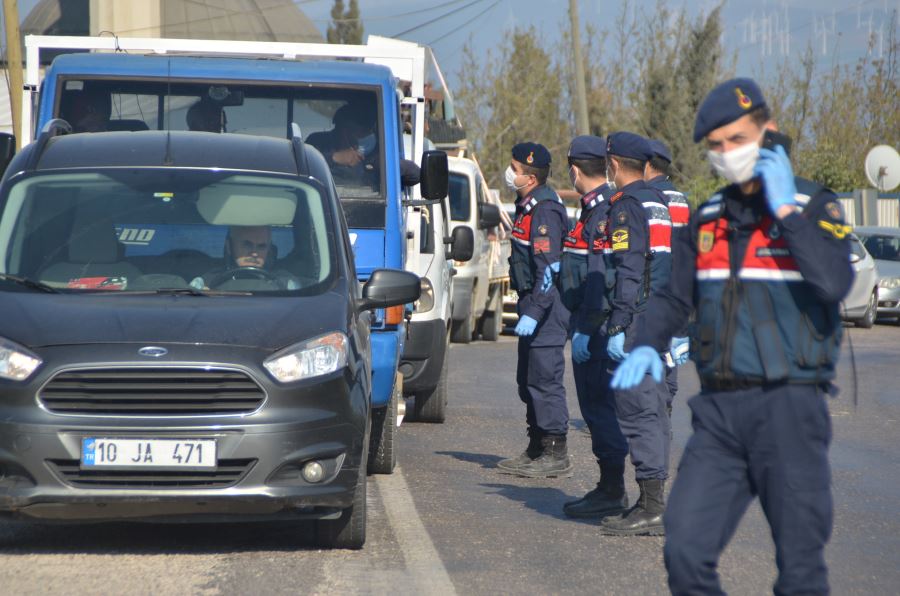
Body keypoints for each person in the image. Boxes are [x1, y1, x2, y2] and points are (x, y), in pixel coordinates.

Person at [612, 78, 852, 594]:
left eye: (737, 140)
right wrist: (647, 343)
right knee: (684, 552)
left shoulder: (813, 205)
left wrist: (786, 212)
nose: (727, 154)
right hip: (720, 415)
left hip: (790, 408)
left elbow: (834, 283)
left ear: (768, 131)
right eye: (716, 146)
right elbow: (676, 297)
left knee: (800, 570)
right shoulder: (708, 219)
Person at [597, 132, 673, 537]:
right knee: (655, 409)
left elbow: (629, 269)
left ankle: (652, 506)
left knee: (638, 409)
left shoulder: (627, 206)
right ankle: (650, 501)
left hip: (639, 321)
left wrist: (620, 323)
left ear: (613, 163)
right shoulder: (658, 201)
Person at [557, 135, 629, 519]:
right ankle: (609, 486)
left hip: (595, 329)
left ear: (574, 169)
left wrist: (586, 326)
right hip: (585, 324)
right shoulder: (589, 211)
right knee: (595, 408)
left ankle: (612, 489)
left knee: (601, 410)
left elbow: (601, 279)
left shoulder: (602, 213)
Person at [497, 142, 572, 478]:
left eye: (514, 168)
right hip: (531, 302)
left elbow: (550, 267)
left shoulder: (544, 210)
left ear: (529, 176)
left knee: (545, 380)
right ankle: (536, 447)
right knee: (527, 380)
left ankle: (556, 452)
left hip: (547, 307)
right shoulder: (526, 205)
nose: (509, 172)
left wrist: (535, 311)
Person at [644, 139, 691, 411]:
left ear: (648, 165)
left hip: (652, 290)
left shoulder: (646, 198)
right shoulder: (681, 199)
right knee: (668, 361)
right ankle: (664, 410)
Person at [191, 225, 299, 290]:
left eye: (261, 246)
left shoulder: (285, 283)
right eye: (247, 245)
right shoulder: (207, 281)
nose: (254, 253)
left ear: (269, 251)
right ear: (229, 247)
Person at [306, 102, 377, 179]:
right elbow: (303, 164)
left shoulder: (373, 152)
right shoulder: (317, 141)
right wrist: (335, 158)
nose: (364, 136)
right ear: (342, 127)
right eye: (361, 131)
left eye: (367, 132)